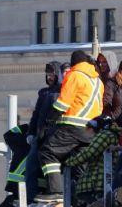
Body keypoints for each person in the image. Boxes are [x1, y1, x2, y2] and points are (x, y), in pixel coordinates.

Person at [38, 51, 103, 198]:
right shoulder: (97, 80)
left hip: (72, 126)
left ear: (73, 63)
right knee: (79, 163)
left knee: (47, 152)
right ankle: (81, 199)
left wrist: (50, 119)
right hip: (91, 130)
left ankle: (56, 192)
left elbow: (62, 104)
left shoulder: (74, 75)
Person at [24, 61, 63, 200]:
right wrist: (31, 133)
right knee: (32, 167)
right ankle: (31, 197)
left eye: (52, 74)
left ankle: (53, 192)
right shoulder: (44, 93)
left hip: (54, 135)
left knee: (51, 167)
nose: (50, 77)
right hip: (40, 136)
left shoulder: (63, 91)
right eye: (48, 74)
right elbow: (36, 115)